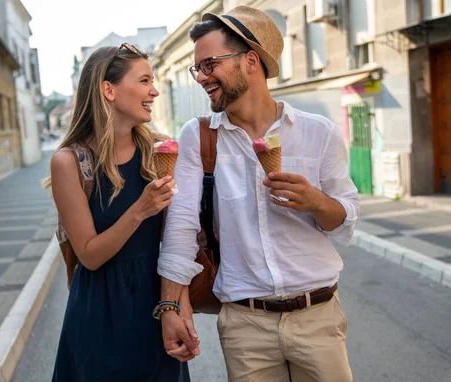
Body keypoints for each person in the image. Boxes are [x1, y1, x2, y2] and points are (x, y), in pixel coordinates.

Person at [158, 6, 359, 382]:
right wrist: (170, 305)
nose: (202, 77)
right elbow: (181, 227)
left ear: (250, 60)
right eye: (197, 68)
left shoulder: (319, 132)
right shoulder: (199, 136)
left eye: (209, 64)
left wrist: (316, 201)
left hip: (318, 317)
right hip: (244, 326)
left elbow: (345, 219)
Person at [46, 44, 191, 381]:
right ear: (108, 90)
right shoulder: (69, 163)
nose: (154, 91)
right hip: (99, 316)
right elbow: (90, 255)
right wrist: (140, 210)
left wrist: (180, 309)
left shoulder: (161, 149)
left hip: (157, 311)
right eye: (143, 81)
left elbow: (179, 241)